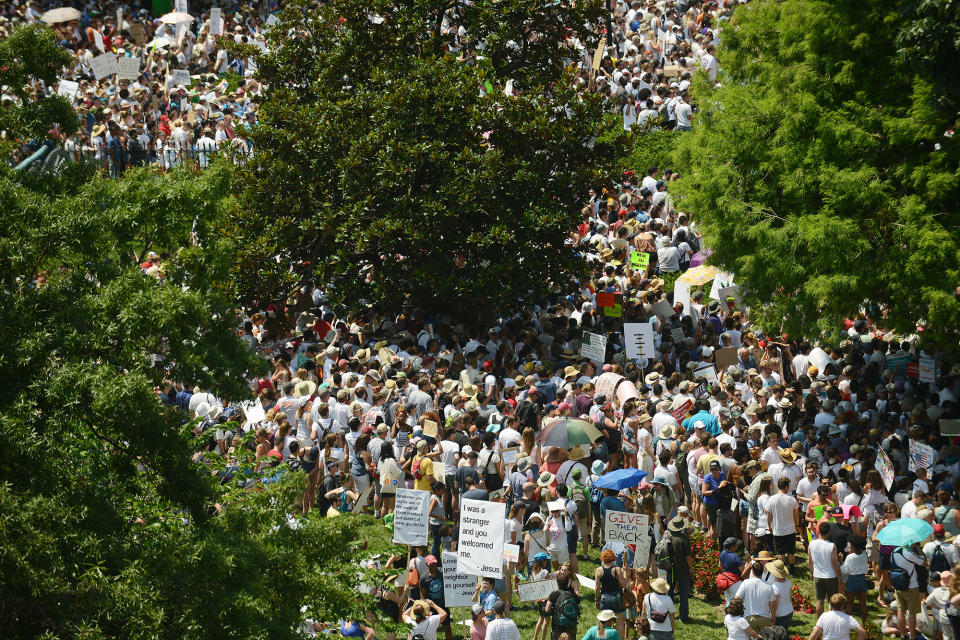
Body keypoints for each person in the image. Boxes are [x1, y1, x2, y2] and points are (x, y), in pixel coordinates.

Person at [891, 541, 927, 640]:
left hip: (898, 585)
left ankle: (903, 635)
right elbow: (923, 562)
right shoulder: (908, 553)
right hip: (911, 586)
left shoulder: (893, 552)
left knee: (901, 611)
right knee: (912, 613)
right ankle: (912, 636)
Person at [808, 522, 843, 617]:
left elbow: (810, 561)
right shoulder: (832, 546)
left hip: (817, 576)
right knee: (833, 601)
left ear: (818, 531)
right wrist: (839, 578)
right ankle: (832, 621)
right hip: (831, 576)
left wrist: (812, 574)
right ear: (828, 532)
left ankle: (820, 622)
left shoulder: (811, 544)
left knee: (820, 601)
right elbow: (835, 563)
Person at [766, 476, 800, 573]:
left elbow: (769, 515)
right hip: (790, 530)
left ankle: (780, 571)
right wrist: (796, 526)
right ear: (787, 487)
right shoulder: (792, 499)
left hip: (778, 530)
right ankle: (792, 570)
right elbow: (796, 515)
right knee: (791, 552)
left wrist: (769, 527)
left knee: (781, 553)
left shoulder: (771, 499)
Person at [595, 548, 629, 639]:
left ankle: (601, 638)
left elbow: (597, 588)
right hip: (616, 598)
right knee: (620, 622)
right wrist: (625, 572)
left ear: (602, 558)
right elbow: (623, 585)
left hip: (604, 598)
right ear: (613, 558)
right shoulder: (616, 569)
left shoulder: (598, 570)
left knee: (603, 621)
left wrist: (596, 600)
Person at [734, 562, 776, 631]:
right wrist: (773, 619)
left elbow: (736, 598)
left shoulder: (745, 583)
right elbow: (772, 605)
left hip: (749, 617)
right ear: (762, 572)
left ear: (752, 571)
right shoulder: (769, 586)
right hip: (764, 618)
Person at [665, 515, 692, 622]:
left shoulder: (667, 535)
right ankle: (683, 617)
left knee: (669, 593)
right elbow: (688, 557)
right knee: (683, 594)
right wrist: (692, 568)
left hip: (669, 568)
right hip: (683, 570)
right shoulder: (683, 539)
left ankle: (667, 614)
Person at [766, 559, 795, 631]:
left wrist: (773, 619)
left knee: (779, 635)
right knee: (785, 631)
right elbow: (790, 598)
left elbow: (774, 606)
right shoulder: (788, 582)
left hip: (780, 615)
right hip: (789, 611)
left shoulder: (775, 587)